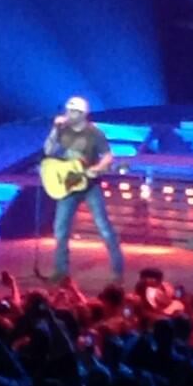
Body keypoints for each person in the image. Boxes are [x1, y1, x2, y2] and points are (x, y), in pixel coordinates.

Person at [43, 95, 123, 282]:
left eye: (73, 112)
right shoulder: (62, 130)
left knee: (104, 227)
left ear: (82, 114)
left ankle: (117, 271)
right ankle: (61, 271)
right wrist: (54, 129)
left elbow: (108, 157)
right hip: (68, 186)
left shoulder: (94, 133)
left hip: (90, 186)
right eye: (67, 111)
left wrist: (96, 168)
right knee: (60, 229)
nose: (68, 114)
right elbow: (47, 151)